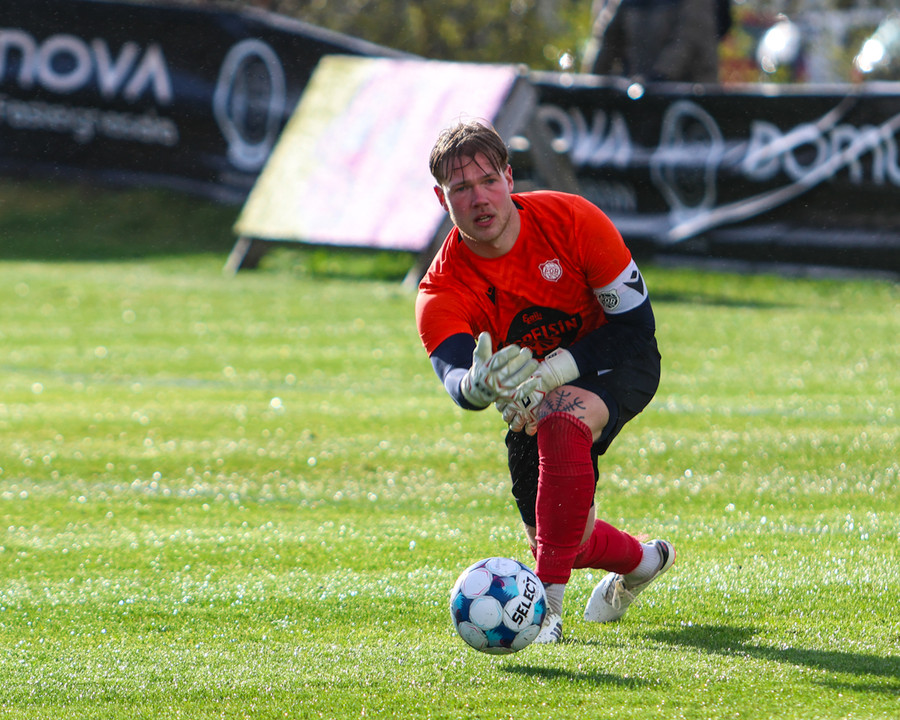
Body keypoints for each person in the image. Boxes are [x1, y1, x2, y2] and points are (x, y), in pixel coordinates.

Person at [415, 120, 675, 643]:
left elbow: (635, 326)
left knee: (559, 414)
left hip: (619, 360)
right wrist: (477, 388)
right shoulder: (440, 289)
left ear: (510, 178)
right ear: (441, 198)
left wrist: (550, 372)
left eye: (489, 180)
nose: (479, 198)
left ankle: (547, 611)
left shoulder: (574, 220)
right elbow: (456, 375)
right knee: (565, 540)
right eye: (461, 188)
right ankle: (647, 561)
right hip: (532, 398)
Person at [582, 0, 724, 83]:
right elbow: (609, 42)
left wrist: (658, 77)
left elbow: (688, 41)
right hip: (645, 94)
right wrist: (594, 82)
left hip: (689, 98)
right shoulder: (626, 3)